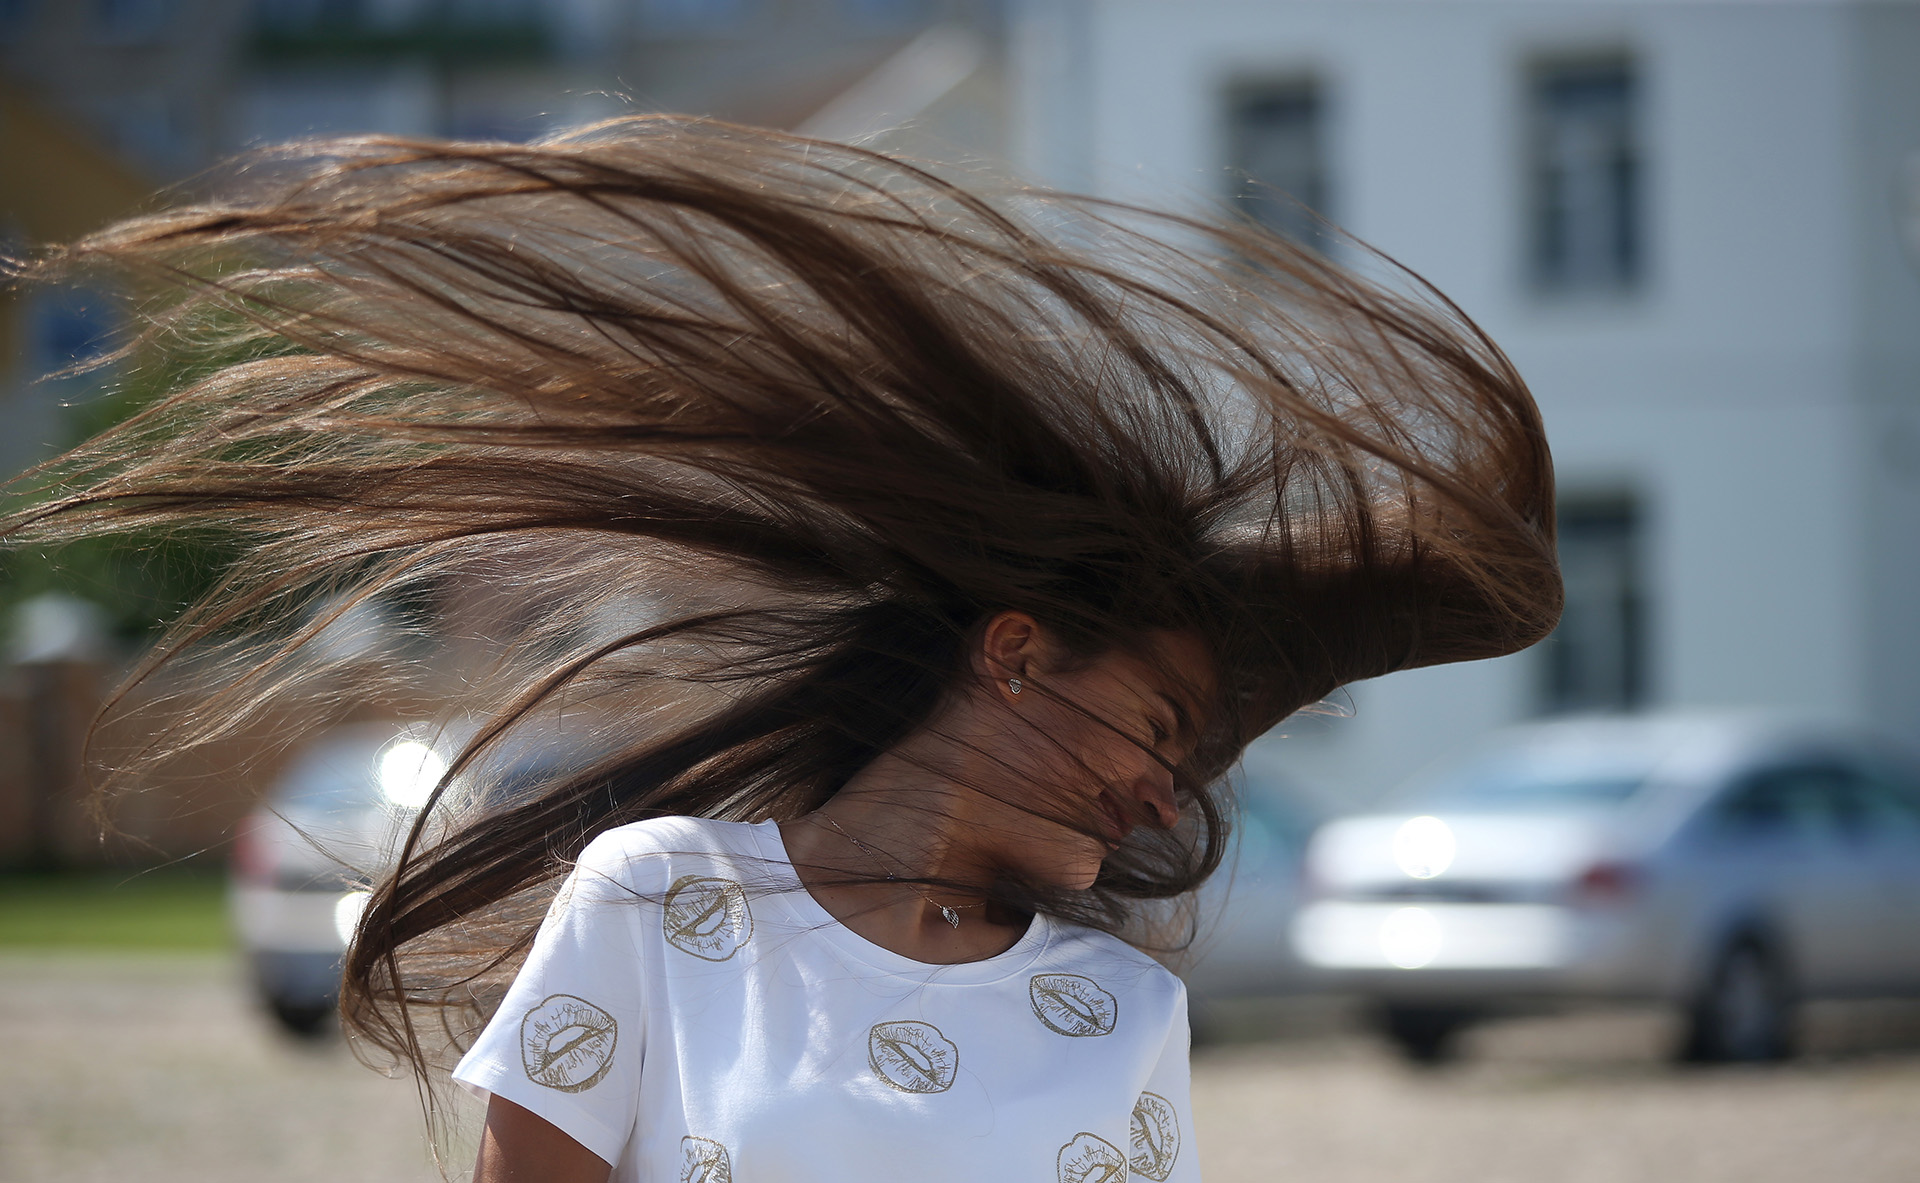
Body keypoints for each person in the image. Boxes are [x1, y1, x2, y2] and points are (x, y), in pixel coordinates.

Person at [2, 117, 1560, 1182]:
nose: (1168, 797)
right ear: (1014, 652)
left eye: (1190, 765)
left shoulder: (1123, 1020)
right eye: (1160, 725)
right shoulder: (659, 900)